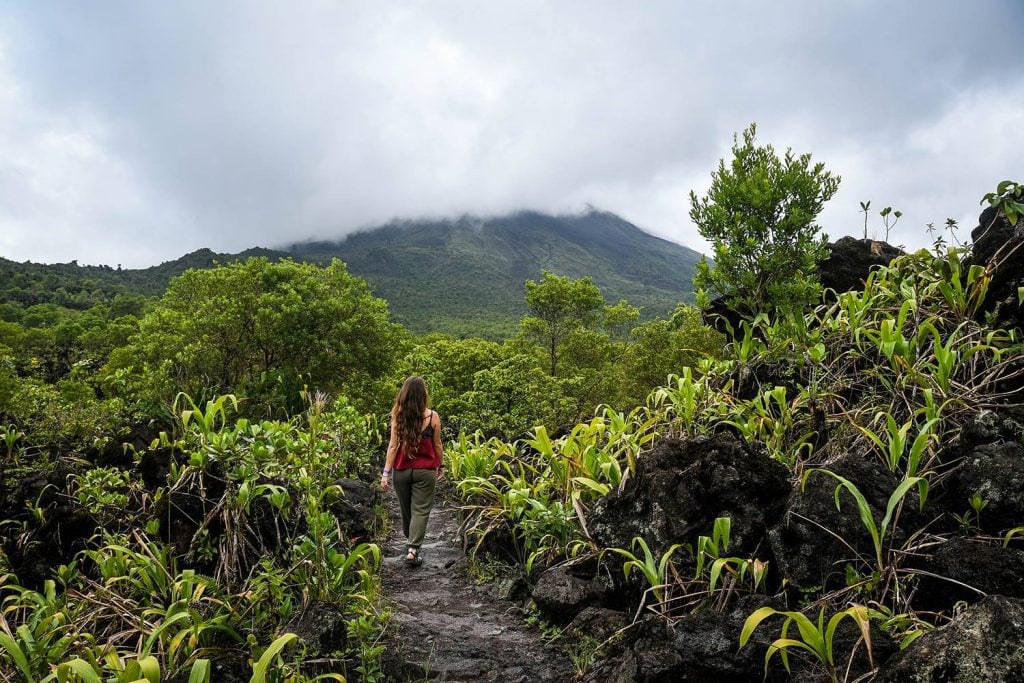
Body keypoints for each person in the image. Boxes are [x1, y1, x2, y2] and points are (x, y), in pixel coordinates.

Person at [381, 376, 444, 566]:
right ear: (423, 395)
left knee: (406, 508)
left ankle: (411, 543)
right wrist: (441, 466)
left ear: (404, 394)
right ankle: (413, 549)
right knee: (421, 510)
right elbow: (437, 445)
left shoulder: (398, 416)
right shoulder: (433, 417)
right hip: (425, 471)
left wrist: (385, 473)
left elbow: (393, 446)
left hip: (401, 471)